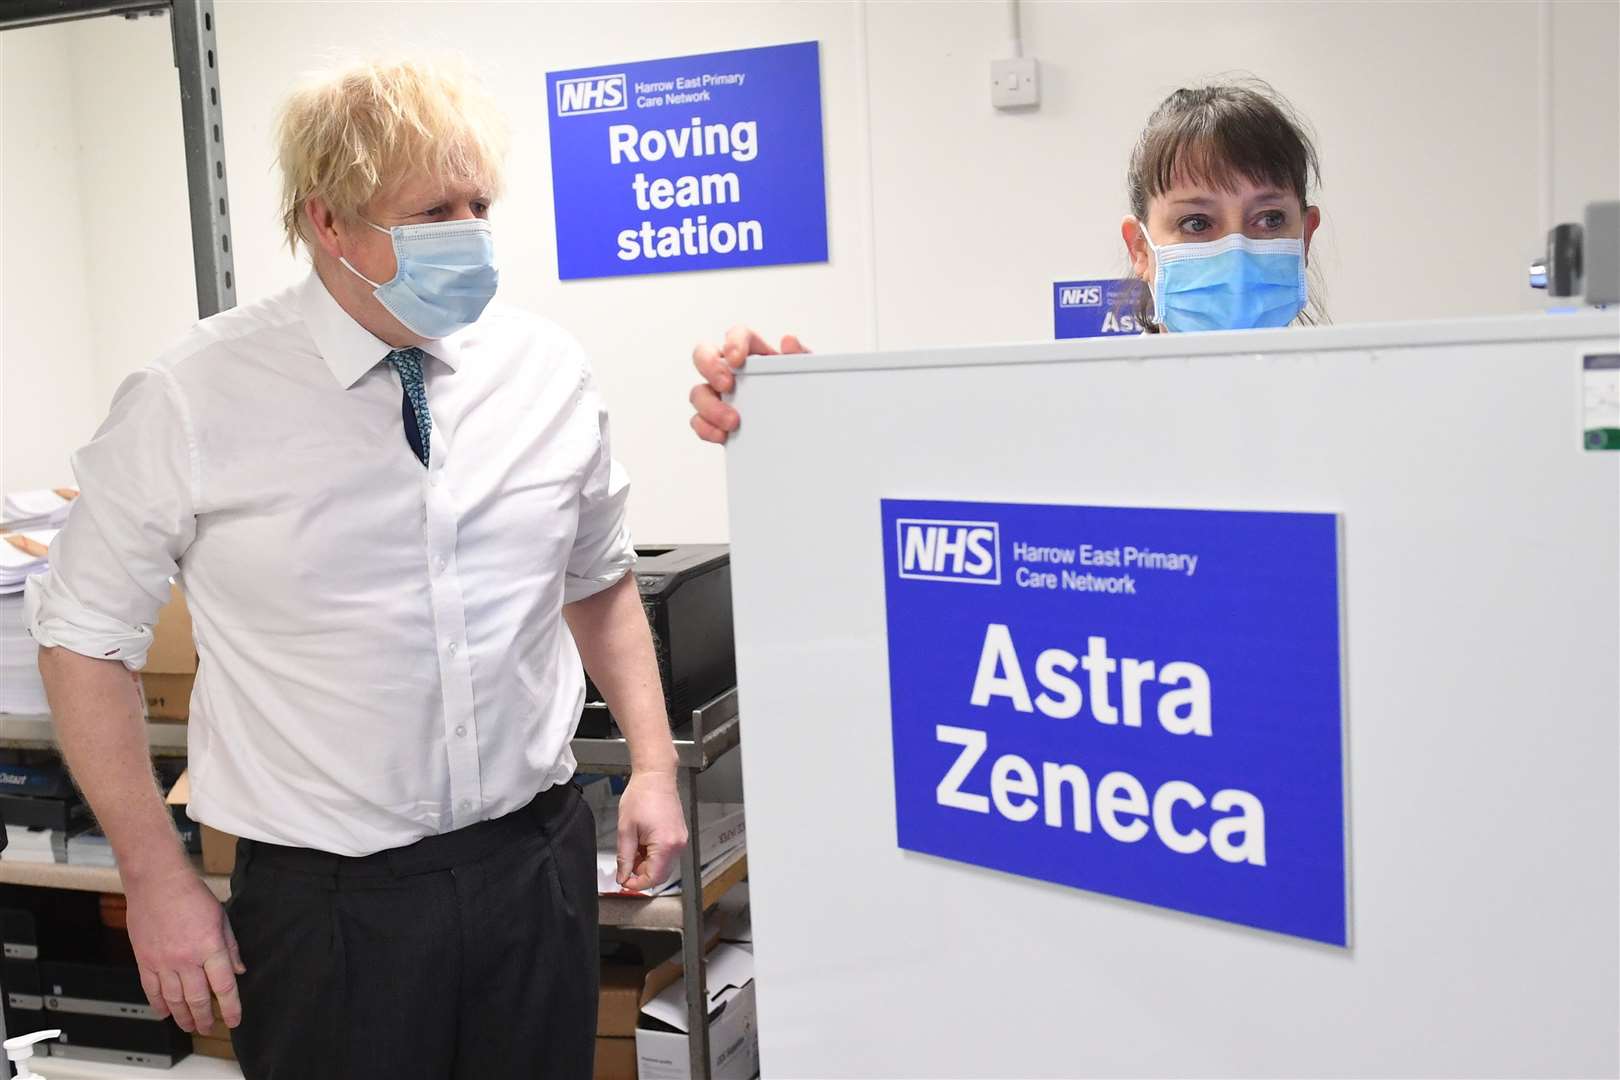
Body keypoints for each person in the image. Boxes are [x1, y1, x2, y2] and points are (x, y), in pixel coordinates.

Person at [27, 58, 686, 1079]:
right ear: (328, 222)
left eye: (479, 204)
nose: (468, 233)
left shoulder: (544, 370)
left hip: (534, 865)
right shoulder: (193, 397)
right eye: (432, 210)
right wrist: (155, 874)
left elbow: (594, 577)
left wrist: (650, 763)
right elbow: (79, 637)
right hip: (328, 905)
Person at [688, 79, 1322, 442]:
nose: (1235, 246)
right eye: (1195, 222)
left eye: (1269, 218)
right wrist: (797, 419)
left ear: (1305, 235)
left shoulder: (1385, 416)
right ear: (1141, 250)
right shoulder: (1067, 417)